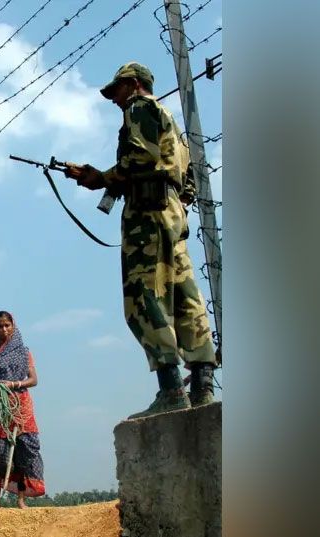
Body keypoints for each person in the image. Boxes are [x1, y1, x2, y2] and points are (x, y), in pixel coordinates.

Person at [65, 62, 219, 419]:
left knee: (145, 296)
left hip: (147, 216)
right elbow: (186, 172)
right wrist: (174, 199)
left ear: (133, 84)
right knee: (184, 295)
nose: (113, 99)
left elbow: (140, 158)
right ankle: (202, 386)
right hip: (169, 212)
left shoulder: (139, 108)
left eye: (116, 90)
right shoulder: (171, 123)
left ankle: (171, 389)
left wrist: (102, 177)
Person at [0, 310, 45, 508]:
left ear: (13, 326)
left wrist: (13, 385)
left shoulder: (24, 352)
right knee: (1, 452)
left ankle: (21, 499)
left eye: (7, 325)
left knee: (24, 449)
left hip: (21, 405)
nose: (4, 329)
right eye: (0, 326)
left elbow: (34, 380)